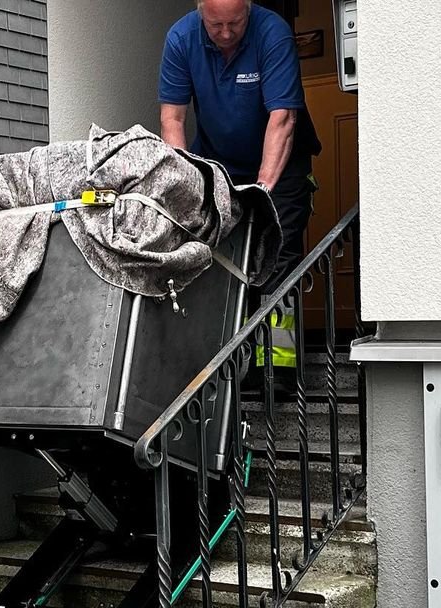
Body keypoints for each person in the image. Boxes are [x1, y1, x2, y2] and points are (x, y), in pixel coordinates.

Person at [158, 0, 321, 393]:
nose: (227, 33)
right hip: (220, 163)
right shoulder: (181, 38)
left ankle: (279, 367)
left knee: (277, 259)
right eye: (216, 25)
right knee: (222, 258)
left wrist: (262, 192)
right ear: (200, 12)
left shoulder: (273, 33)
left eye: (236, 23)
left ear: (249, 10)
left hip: (280, 167)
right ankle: (236, 359)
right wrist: (188, 186)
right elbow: (172, 120)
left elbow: (283, 117)